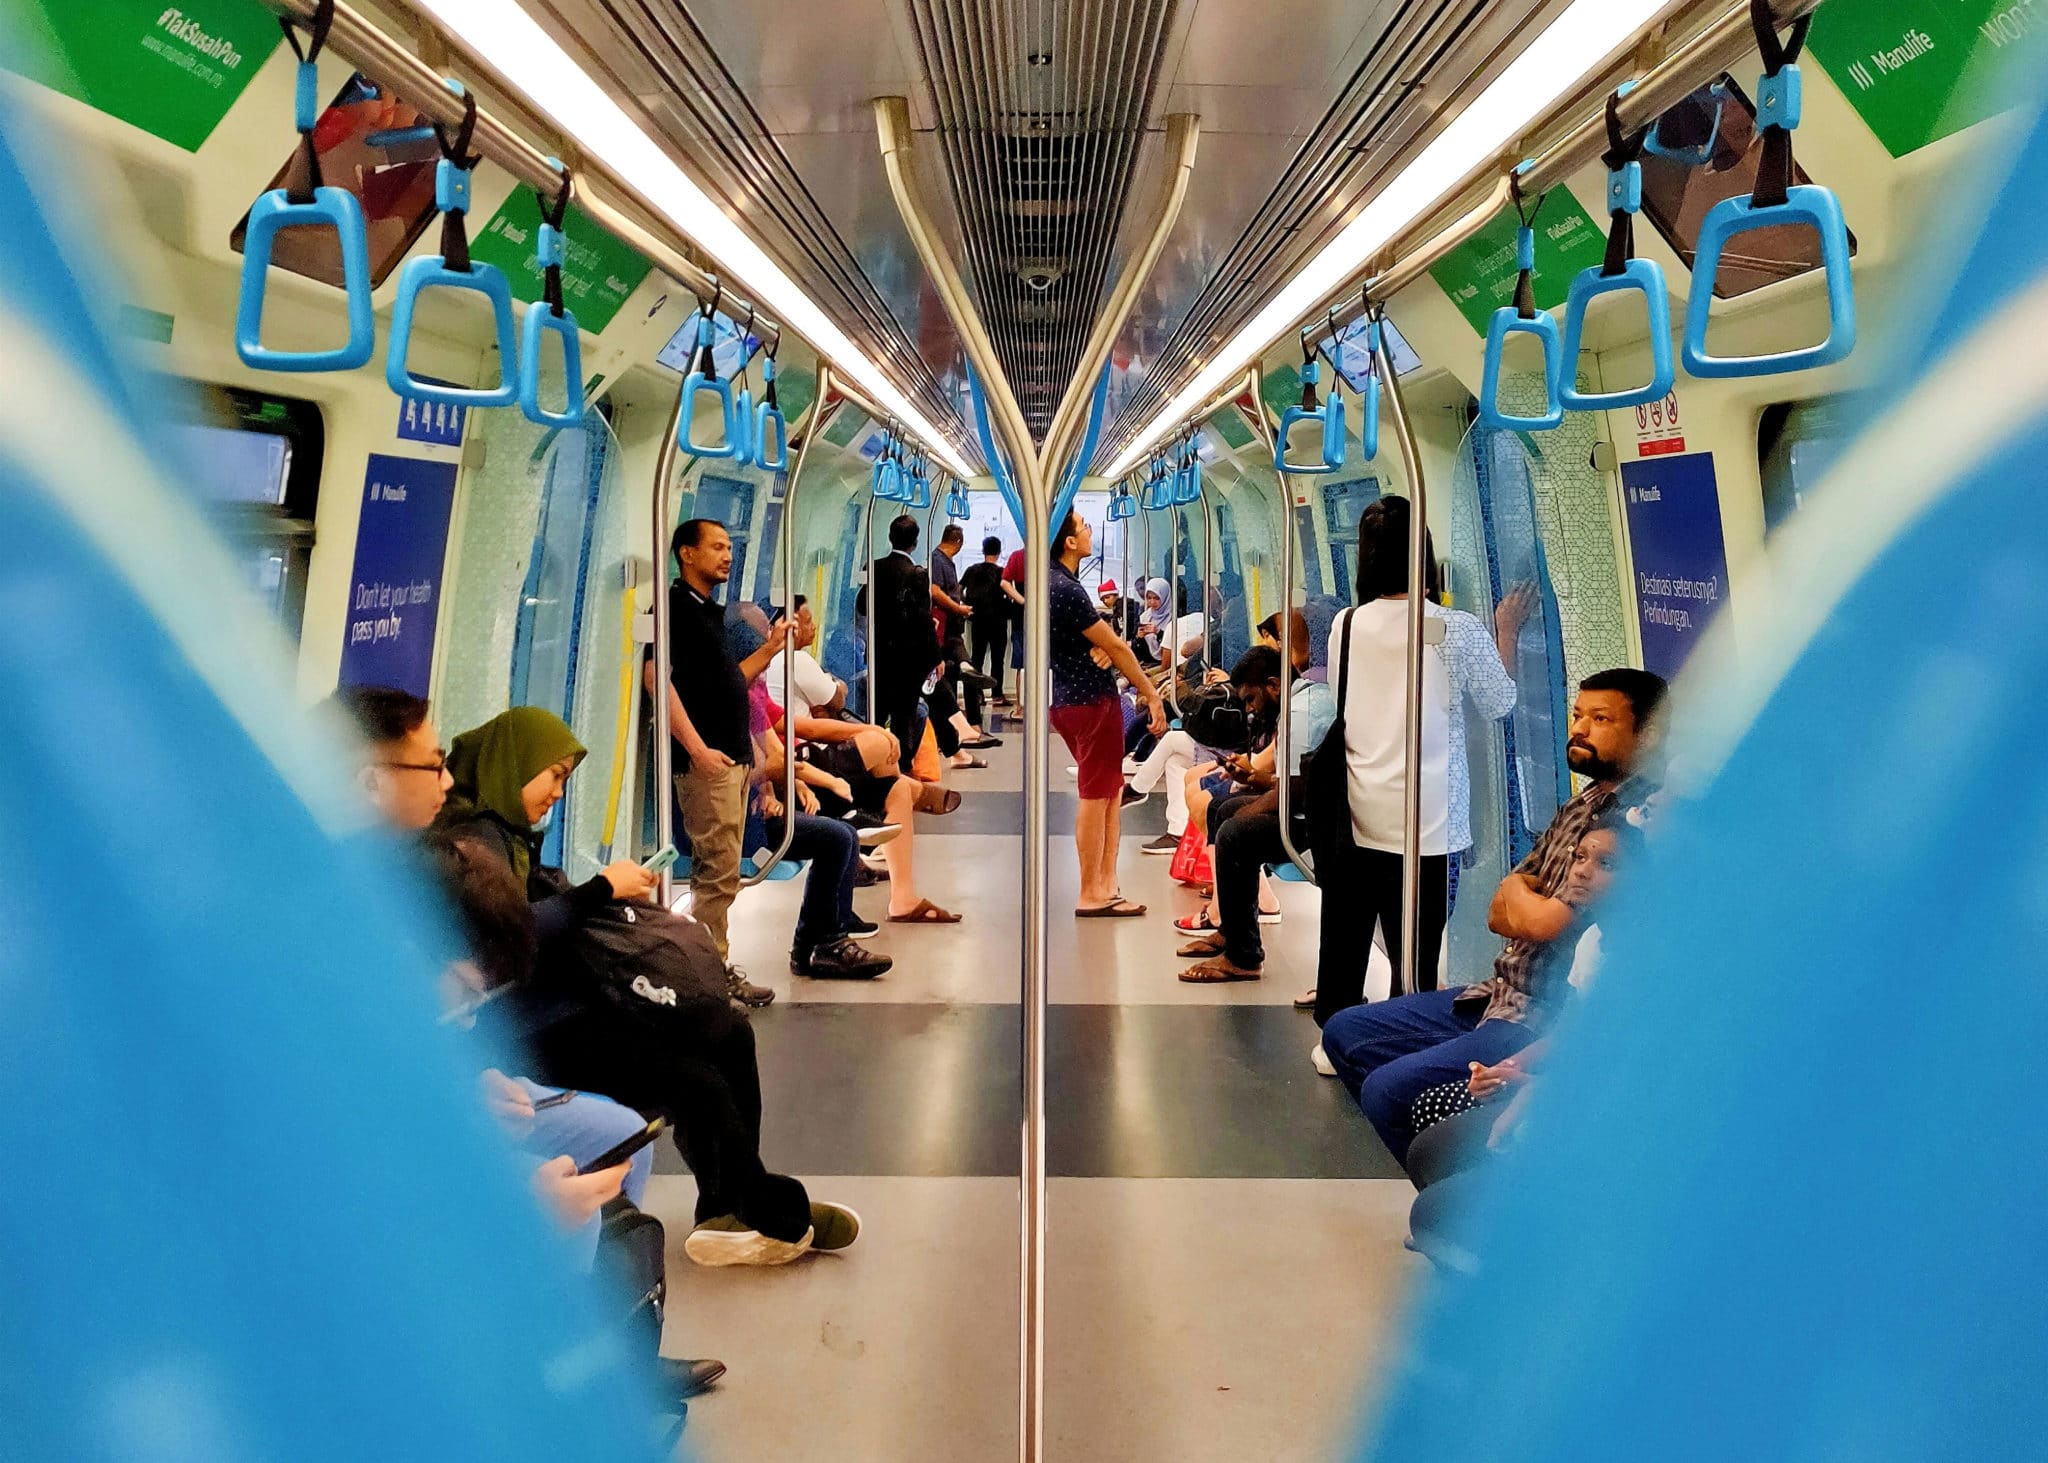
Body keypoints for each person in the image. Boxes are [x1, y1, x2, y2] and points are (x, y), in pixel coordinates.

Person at [336, 687, 725, 1396]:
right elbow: (352, 1118)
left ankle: (612, 1338)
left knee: (614, 1126)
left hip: (443, 1085)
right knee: (567, 1195)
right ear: (370, 778)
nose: (448, 778)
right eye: (430, 765)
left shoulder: (422, 859)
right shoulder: (338, 901)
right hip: (376, 1144)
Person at [434, 706, 863, 1268]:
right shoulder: (469, 846)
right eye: (554, 775)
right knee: (694, 1081)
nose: (559, 792)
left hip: (569, 1002)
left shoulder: (509, 836)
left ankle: (726, 1204)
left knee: (728, 1032)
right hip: (532, 1029)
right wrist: (599, 890)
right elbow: (507, 941)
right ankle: (763, 1209)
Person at [1317, 666, 1666, 1165]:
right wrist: (1523, 899)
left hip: (1539, 1012)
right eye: (1577, 715)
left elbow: (1545, 921)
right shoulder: (1583, 803)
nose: (1579, 730)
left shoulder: (1635, 825)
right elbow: (1501, 909)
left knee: (1388, 1091)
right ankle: (1444, 1161)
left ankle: (1468, 1193)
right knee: (1345, 1032)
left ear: (1649, 734)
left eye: (1601, 719)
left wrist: (1524, 899)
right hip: (1498, 991)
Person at [1311, 496, 1519, 1028]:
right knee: (1417, 952)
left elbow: (1350, 702)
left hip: (1358, 810)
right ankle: (1405, 1035)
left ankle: (1338, 1037)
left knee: (1347, 934)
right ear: (1424, 554)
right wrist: (1507, 633)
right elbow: (1500, 702)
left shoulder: (1346, 624)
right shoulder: (1458, 628)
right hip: (1428, 822)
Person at [646, 518, 782, 1007]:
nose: (727, 555)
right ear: (686, 553)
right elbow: (656, 680)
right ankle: (708, 979)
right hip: (709, 762)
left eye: (730, 547)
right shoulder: (675, 609)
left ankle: (711, 970)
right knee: (715, 873)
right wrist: (698, 749)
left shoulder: (711, 614)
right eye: (717, 547)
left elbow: (729, 681)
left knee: (723, 872)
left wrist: (771, 649)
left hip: (733, 758)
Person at [1176, 634, 1336, 983]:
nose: (1249, 708)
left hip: (1321, 820)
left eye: (1251, 698)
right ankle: (1234, 933)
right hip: (1310, 804)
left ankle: (1243, 958)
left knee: (1234, 831)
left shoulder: (1301, 715)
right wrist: (1253, 777)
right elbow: (1294, 782)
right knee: (1221, 809)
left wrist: (1246, 813)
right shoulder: (1298, 704)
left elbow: (1296, 793)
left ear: (1273, 685)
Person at [1048, 506, 1167, 916]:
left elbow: (1095, 642)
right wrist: (1151, 693)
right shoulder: (1066, 589)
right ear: (1068, 541)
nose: (1088, 533)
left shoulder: (1053, 584)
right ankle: (1091, 892)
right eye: (1083, 527)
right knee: (1097, 795)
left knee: (1110, 792)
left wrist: (1100, 646)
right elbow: (1116, 646)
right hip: (1090, 702)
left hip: (1070, 697)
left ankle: (1106, 882)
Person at [871, 513, 943, 775]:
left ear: (890, 538)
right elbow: (924, 620)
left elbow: (862, 606)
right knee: (904, 715)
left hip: (880, 654)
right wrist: (936, 658)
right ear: (915, 541)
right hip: (907, 659)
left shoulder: (874, 568)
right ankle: (900, 767)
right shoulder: (916, 574)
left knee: (877, 713)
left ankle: (874, 763)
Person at [961, 536, 1010, 704]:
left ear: (983, 550)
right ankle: (997, 694)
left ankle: (976, 694)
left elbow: (959, 590)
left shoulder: (971, 570)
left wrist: (967, 606)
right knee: (998, 659)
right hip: (998, 620)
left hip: (978, 619)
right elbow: (1009, 594)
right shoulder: (1002, 572)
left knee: (977, 658)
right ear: (998, 552)